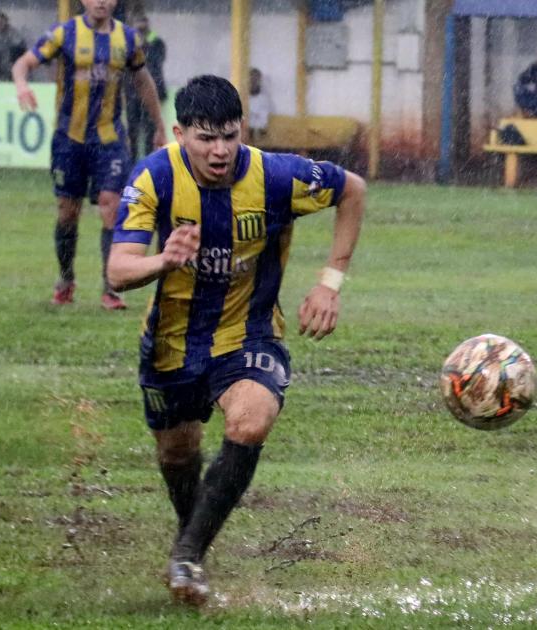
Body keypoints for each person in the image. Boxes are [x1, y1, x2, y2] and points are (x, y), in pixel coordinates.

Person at [106, 74, 367, 606]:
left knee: (251, 419)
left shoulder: (276, 175)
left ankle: (186, 556)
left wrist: (330, 281)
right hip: (171, 345)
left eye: (229, 135)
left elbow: (353, 189)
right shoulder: (155, 177)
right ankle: (193, 547)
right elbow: (117, 270)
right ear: (180, 134)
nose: (220, 150)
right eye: (205, 138)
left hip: (249, 333)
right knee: (178, 454)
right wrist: (165, 258)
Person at [12, 0, 167, 310]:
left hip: (110, 140)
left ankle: (111, 287)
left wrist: (159, 125)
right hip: (69, 139)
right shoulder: (63, 34)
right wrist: (21, 84)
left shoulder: (128, 39)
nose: (101, 1)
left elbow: (143, 80)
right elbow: (22, 63)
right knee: (68, 212)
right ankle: (66, 278)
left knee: (111, 207)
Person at [125, 13, 167, 162]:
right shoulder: (129, 43)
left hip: (150, 92)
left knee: (150, 131)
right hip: (132, 93)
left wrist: (142, 44)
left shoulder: (156, 42)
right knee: (133, 131)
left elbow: (154, 64)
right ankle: (132, 161)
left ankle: (149, 161)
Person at [247, 68, 274, 144]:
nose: (253, 81)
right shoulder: (242, 98)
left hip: (260, 137)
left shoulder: (265, 100)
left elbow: (263, 120)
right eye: (251, 78)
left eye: (256, 79)